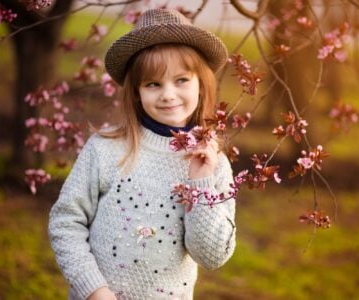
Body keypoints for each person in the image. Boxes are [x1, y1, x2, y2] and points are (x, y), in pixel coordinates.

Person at [48, 8, 236, 300]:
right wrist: (94, 291)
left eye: (181, 80)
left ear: (201, 83)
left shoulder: (214, 165)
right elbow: (65, 221)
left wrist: (200, 184)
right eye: (153, 84)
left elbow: (212, 256)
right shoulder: (106, 149)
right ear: (136, 92)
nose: (168, 94)